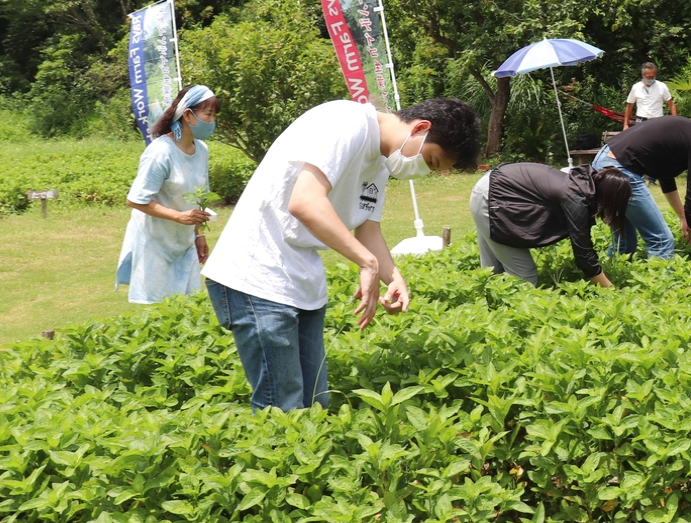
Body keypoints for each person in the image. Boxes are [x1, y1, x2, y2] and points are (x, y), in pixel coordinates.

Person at [202, 97, 480, 412]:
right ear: (420, 128)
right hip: (256, 275)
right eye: (430, 161)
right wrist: (366, 262)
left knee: (316, 404)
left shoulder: (380, 160)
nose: (421, 171)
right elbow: (305, 202)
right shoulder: (346, 122)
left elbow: (367, 228)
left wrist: (393, 276)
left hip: (299, 279)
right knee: (281, 408)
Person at [116, 85, 221, 304]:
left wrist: (198, 234)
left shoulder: (201, 150)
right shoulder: (160, 152)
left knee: (188, 307)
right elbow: (136, 199)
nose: (212, 122)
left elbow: (196, 197)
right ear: (188, 115)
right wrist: (178, 217)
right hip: (155, 243)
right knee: (159, 311)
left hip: (184, 243)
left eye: (214, 116)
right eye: (208, 115)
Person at [593, 114, 691, 258]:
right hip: (621, 170)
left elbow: (665, 177)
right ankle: (659, 287)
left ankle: (611, 283)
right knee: (661, 241)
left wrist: (683, 216)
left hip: (604, 160)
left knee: (624, 241)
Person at [469, 163, 632, 287]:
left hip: (492, 187)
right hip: (493, 198)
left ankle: (489, 311)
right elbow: (584, 256)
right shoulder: (576, 198)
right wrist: (610, 290)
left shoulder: (582, 184)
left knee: (492, 272)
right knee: (524, 277)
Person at [622, 62, 677, 129]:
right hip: (641, 121)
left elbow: (671, 104)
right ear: (643, 75)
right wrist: (625, 124)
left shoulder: (662, 86)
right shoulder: (636, 87)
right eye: (649, 77)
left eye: (653, 77)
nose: (651, 79)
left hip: (658, 121)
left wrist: (675, 122)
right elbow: (629, 106)